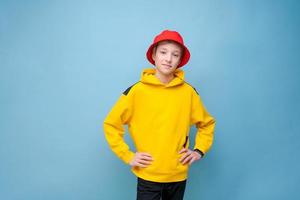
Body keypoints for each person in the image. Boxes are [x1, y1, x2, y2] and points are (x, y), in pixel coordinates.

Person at [103, 29, 216, 200]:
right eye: (163, 52)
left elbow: (206, 124)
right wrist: (128, 155)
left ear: (180, 60)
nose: (168, 58)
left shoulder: (189, 92)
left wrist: (199, 151)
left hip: (178, 174)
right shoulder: (136, 91)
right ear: (154, 55)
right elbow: (111, 124)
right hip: (149, 175)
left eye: (175, 55)